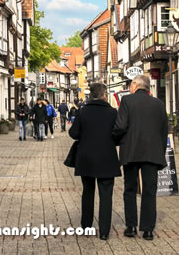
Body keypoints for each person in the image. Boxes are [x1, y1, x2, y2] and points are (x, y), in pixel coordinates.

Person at [112, 74, 167, 241]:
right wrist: (161, 151)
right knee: (149, 191)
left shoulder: (127, 101)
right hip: (152, 152)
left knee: (130, 189)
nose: (129, 88)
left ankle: (131, 226)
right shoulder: (159, 104)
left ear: (135, 86)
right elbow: (164, 130)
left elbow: (120, 126)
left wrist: (115, 140)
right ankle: (148, 230)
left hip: (131, 151)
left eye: (130, 85)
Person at [68, 83, 121, 240]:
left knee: (88, 192)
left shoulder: (83, 112)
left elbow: (73, 133)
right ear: (105, 95)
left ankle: (86, 227)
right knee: (106, 195)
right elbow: (118, 133)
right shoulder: (112, 112)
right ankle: (104, 232)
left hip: (86, 158)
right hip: (107, 158)